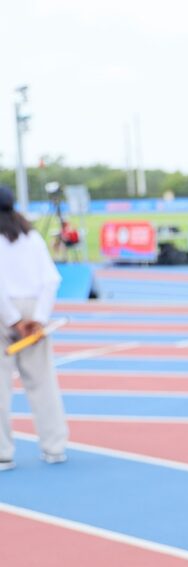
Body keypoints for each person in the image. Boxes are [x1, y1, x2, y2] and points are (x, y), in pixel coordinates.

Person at [0, 185, 69, 470]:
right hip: (33, 311)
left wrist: (14, 319)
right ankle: (55, 447)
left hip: (5, 311)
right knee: (43, 383)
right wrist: (38, 318)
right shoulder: (32, 236)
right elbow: (51, 280)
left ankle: (3, 453)